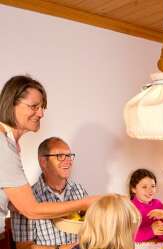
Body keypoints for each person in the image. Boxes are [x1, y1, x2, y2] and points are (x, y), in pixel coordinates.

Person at [0, 75, 98, 236]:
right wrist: (87, 203)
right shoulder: (3, 144)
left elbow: (13, 204)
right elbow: (30, 210)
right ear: (11, 104)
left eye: (42, 107)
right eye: (34, 106)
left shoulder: (8, 143)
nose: (41, 114)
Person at [11, 137, 87, 249]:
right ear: (43, 162)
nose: (68, 161)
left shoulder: (79, 190)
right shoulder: (26, 198)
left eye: (69, 155)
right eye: (60, 156)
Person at [129, 168, 163, 242]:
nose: (150, 191)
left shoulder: (158, 204)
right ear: (133, 189)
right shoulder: (129, 207)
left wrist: (162, 231)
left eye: (153, 186)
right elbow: (127, 236)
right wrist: (152, 230)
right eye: (144, 187)